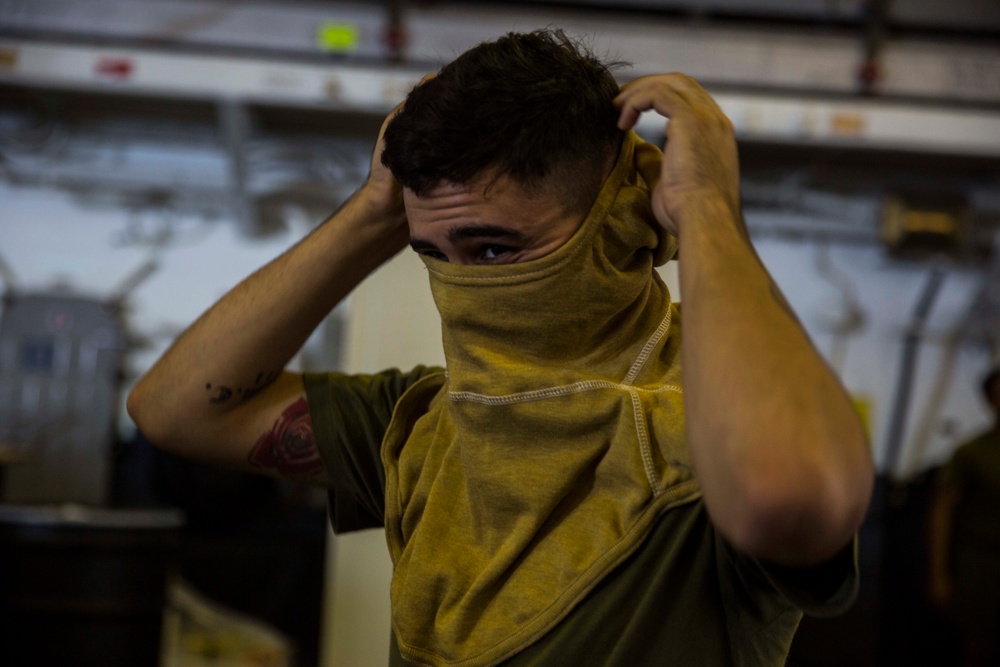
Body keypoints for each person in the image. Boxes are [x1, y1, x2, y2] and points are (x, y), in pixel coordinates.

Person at [128, 29, 874, 666]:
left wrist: (707, 208)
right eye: (432, 252)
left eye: (493, 250)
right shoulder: (428, 425)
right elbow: (172, 409)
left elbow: (783, 496)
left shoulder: (709, 438)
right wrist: (372, 214)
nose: (461, 285)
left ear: (621, 217)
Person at [929, 367, 1000, 667]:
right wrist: (939, 575)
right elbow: (943, 512)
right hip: (981, 565)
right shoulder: (972, 452)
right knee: (978, 647)